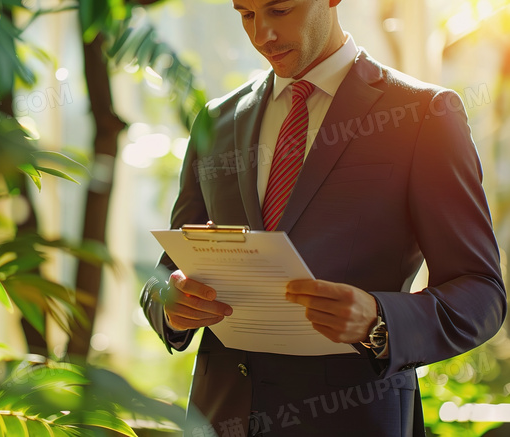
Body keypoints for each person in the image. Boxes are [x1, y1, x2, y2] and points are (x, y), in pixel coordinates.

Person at [139, 0, 507, 436]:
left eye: (279, 10)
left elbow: (481, 294)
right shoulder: (217, 121)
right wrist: (172, 305)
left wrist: (379, 321)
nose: (261, 36)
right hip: (221, 417)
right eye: (246, 15)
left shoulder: (423, 114)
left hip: (354, 418)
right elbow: (168, 271)